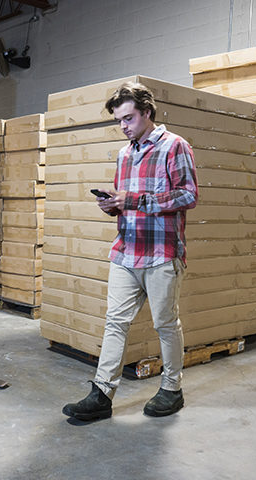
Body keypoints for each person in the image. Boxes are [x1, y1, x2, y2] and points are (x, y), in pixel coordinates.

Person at [62, 82, 198, 421]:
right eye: (119, 121)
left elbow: (188, 196)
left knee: (165, 323)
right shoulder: (125, 154)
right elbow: (127, 201)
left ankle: (172, 388)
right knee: (114, 323)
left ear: (147, 113)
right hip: (126, 252)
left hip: (161, 253)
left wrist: (134, 201)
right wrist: (113, 206)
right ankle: (102, 394)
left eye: (129, 118)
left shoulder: (174, 147)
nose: (124, 126)